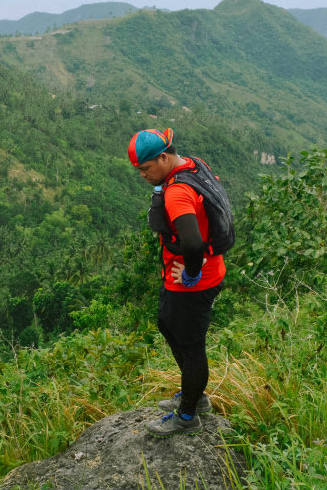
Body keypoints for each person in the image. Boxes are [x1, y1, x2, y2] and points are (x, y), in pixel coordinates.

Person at [128, 128, 229, 437]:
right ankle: (192, 393)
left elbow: (193, 243)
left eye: (146, 168)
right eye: (139, 170)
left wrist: (190, 273)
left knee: (191, 344)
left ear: (164, 157)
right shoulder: (193, 164)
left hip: (194, 283)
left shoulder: (177, 192)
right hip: (190, 277)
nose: (143, 175)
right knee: (167, 324)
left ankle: (188, 412)